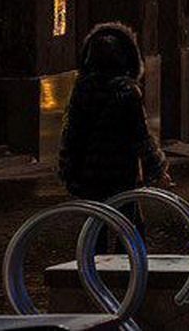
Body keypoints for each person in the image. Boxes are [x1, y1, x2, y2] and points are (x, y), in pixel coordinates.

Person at [59, 23, 169, 245]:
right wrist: (157, 169)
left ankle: (93, 273)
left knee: (94, 229)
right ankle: (128, 275)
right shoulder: (127, 92)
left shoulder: (83, 89)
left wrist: (69, 169)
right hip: (121, 173)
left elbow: (72, 133)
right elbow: (142, 137)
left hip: (90, 172)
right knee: (129, 229)